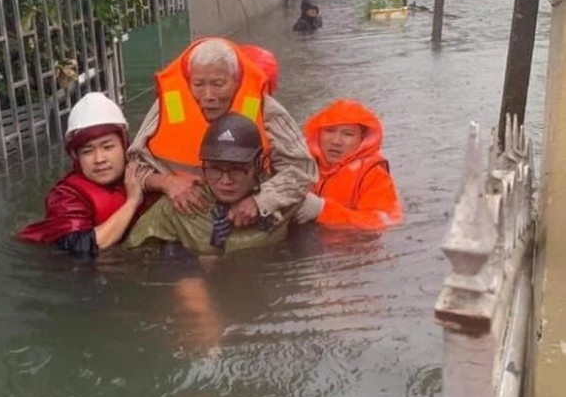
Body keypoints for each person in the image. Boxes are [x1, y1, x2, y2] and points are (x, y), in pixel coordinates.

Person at [127, 37, 316, 228]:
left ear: (236, 81)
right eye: (199, 85)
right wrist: (166, 182)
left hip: (248, 203)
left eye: (218, 84)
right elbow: (133, 164)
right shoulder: (168, 106)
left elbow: (303, 170)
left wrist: (262, 200)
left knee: (313, 206)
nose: (208, 96)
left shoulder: (264, 107)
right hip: (185, 209)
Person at [126, 113, 298, 256]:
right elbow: (133, 258)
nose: (225, 180)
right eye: (214, 169)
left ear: (258, 164)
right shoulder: (180, 206)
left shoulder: (285, 200)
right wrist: (181, 266)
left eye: (237, 170)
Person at [17, 92, 147, 258]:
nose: (99, 159)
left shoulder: (139, 172)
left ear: (124, 146)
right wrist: (132, 202)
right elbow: (81, 248)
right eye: (87, 151)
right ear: (76, 157)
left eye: (108, 147)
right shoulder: (64, 197)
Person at [295, 99, 403, 230]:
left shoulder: (374, 175)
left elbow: (385, 221)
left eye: (348, 134)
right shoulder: (299, 162)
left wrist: (323, 211)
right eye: (329, 130)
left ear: (362, 140)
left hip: (347, 246)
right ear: (318, 133)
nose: (336, 141)